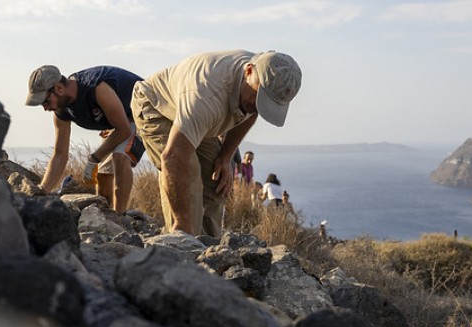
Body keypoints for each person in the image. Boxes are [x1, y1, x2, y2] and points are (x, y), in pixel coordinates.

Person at [131, 49, 301, 236]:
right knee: (188, 173)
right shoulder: (206, 95)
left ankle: (209, 247)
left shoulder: (260, 80)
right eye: (259, 96)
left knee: (217, 180)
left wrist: (225, 156)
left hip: (196, 115)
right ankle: (181, 243)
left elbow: (252, 113)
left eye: (266, 102)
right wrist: (183, 225)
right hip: (157, 106)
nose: (257, 104)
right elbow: (173, 158)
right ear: (249, 71)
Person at [25, 64, 144, 213]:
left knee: (120, 157)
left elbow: (124, 130)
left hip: (141, 111)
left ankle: (120, 217)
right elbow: (60, 155)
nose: (45, 108)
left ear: (59, 88)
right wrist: (42, 191)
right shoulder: (61, 112)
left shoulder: (96, 87)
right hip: (117, 120)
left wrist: (94, 158)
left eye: (45, 101)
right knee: (103, 175)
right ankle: (106, 217)